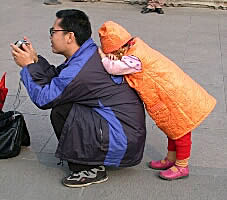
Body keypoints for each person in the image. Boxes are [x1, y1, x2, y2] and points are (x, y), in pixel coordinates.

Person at [10, 10, 146, 188]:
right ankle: (89, 155)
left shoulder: (82, 68)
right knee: (64, 101)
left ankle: (88, 169)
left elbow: (44, 99)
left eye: (53, 32)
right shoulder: (87, 52)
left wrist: (28, 67)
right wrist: (36, 61)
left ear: (69, 37)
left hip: (121, 139)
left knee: (61, 111)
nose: (50, 37)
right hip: (124, 131)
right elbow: (58, 81)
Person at [98, 21, 216, 180]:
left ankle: (182, 166)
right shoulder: (135, 47)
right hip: (172, 93)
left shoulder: (134, 58)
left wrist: (103, 57)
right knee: (172, 130)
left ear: (119, 48)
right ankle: (171, 159)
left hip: (174, 97)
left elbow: (113, 68)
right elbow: (121, 62)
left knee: (181, 131)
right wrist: (113, 56)